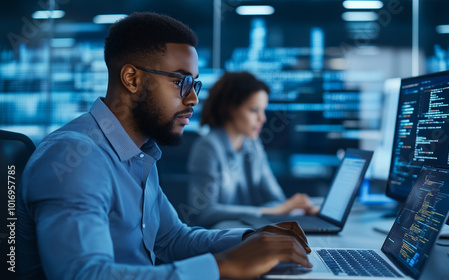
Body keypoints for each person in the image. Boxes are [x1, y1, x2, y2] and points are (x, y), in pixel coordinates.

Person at [17, 12, 313, 280]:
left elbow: (172, 239)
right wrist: (225, 266)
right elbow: (84, 275)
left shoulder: (139, 153)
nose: (193, 99)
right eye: (181, 82)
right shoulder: (76, 158)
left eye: (195, 84)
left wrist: (252, 239)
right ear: (132, 79)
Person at [186, 71, 317, 227]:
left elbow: (277, 199)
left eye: (263, 110)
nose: (262, 118)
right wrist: (270, 211)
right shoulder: (208, 146)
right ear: (231, 108)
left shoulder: (252, 144)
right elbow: (205, 212)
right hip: (219, 238)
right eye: (254, 110)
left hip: (250, 231)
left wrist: (294, 208)